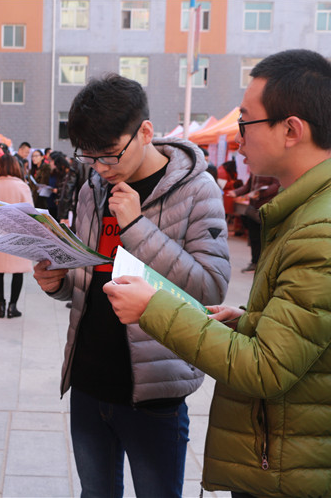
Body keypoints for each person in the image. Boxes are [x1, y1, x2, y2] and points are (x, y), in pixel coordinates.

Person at [103, 49, 331, 498]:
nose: (237, 140)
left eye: (246, 123)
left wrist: (153, 308)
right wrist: (250, 322)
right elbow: (313, 336)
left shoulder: (329, 227)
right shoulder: (330, 204)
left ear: (291, 129)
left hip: (300, 471)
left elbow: (265, 369)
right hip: (303, 454)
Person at [32, 74, 230, 497]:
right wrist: (58, 282)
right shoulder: (92, 188)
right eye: (91, 158)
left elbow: (211, 290)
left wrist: (137, 226)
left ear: (145, 131)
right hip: (88, 381)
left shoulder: (198, 190)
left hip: (153, 392)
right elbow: (89, 277)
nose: (102, 168)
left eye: (110, 156)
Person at [0, 154, 33, 318]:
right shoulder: (22, 187)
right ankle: (13, 307)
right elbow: (31, 213)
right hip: (19, 234)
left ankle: (0, 306)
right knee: (17, 272)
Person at [227, 173, 280, 272]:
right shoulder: (255, 169)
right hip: (253, 208)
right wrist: (236, 192)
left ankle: (264, 264)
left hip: (266, 208)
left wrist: (261, 194)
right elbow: (248, 186)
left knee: (264, 238)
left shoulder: (272, 168)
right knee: (254, 237)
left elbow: (276, 185)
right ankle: (255, 262)